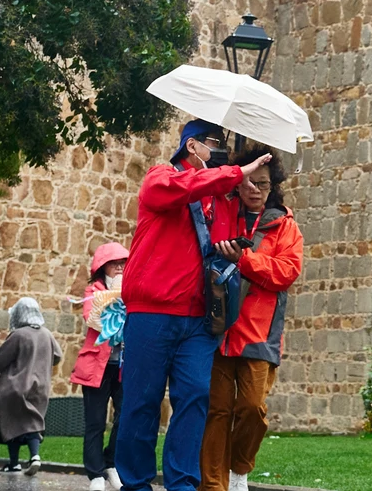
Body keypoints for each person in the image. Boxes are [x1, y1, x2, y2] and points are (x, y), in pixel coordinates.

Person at [116, 119, 272, 491]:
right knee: (141, 403)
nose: (221, 151)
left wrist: (243, 219)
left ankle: (183, 485)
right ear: (192, 147)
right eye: (215, 143)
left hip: (199, 319)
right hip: (152, 312)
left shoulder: (219, 198)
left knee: (194, 401)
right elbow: (178, 190)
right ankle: (135, 484)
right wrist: (231, 175)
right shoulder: (161, 176)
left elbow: (224, 247)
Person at [201, 153, 303, 491]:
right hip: (219, 327)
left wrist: (245, 259)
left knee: (251, 408)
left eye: (261, 183)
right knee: (216, 410)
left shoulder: (284, 225)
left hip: (259, 332)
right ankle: (213, 485)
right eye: (247, 182)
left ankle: (239, 469)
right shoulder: (224, 214)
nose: (254, 189)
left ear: (272, 187)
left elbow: (286, 272)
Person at [73, 241, 131, 491]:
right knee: (95, 422)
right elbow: (93, 319)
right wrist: (114, 300)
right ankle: (95, 474)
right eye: (113, 264)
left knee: (124, 418)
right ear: (102, 267)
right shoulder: (93, 290)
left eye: (123, 263)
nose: (119, 267)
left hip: (124, 366)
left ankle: (111, 463)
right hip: (97, 367)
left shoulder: (133, 290)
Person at [0, 298, 63, 475]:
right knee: (33, 422)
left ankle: (14, 463)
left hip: (15, 387)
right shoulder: (47, 334)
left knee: (11, 422)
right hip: (40, 387)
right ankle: (35, 456)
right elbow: (57, 356)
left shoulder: (19, 335)